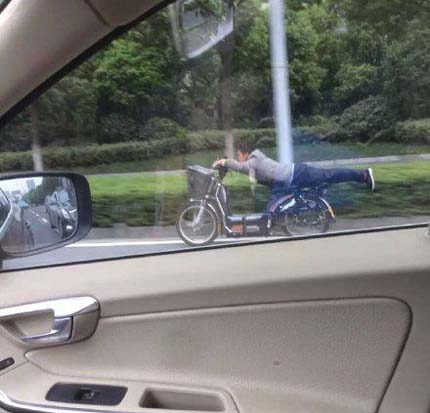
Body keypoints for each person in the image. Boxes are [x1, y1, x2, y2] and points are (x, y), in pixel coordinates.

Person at [213, 142, 375, 212]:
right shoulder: (255, 162)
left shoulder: (254, 160)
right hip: (286, 182)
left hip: (297, 174)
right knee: (271, 212)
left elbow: (241, 166)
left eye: (239, 155)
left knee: (328, 175)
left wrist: (225, 161)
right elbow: (246, 171)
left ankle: (363, 175)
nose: (238, 157)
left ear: (245, 153)